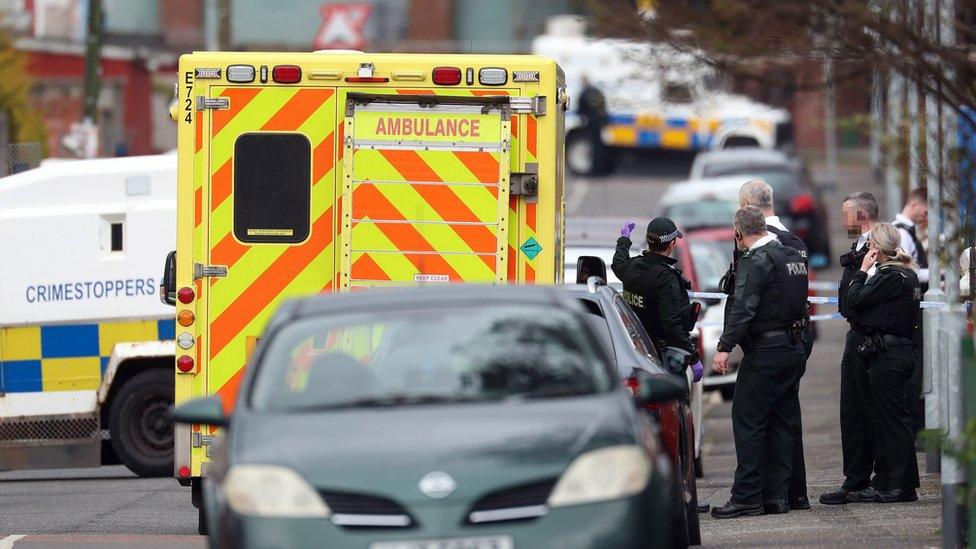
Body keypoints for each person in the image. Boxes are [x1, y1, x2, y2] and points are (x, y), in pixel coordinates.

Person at [711, 206, 809, 519]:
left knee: (748, 422)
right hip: (792, 348)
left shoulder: (756, 261)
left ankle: (746, 497)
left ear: (738, 234)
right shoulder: (790, 255)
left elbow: (744, 308)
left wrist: (724, 347)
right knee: (781, 422)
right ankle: (776, 497)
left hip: (766, 353)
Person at [737, 179, 812, 511]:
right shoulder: (794, 241)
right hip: (795, 340)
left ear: (749, 206)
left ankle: (761, 495)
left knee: (756, 421)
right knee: (785, 419)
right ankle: (790, 494)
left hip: (769, 344)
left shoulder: (760, 245)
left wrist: (731, 341)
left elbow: (749, 298)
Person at [842, 222, 922, 502]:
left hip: (890, 356)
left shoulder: (889, 276)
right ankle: (890, 481)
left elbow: (853, 299)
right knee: (891, 419)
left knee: (892, 421)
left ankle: (902, 485)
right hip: (899, 352)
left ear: (876, 248)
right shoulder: (907, 273)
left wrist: (863, 270)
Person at [821, 191, 884, 505]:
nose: (843, 220)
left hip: (869, 336)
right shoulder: (861, 246)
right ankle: (856, 477)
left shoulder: (877, 246)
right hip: (856, 333)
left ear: (861, 215)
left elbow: (869, 292)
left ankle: (868, 478)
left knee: (867, 410)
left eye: (847, 213)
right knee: (852, 410)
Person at [612, 217, 703, 381]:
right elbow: (672, 326)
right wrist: (693, 358)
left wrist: (624, 240)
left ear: (649, 241)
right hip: (663, 360)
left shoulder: (632, 267)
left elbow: (618, 262)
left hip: (636, 353)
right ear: (671, 244)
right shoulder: (666, 279)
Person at [892, 187, 928, 437]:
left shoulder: (908, 232)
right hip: (909, 311)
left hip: (913, 308)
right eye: (925, 209)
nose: (926, 215)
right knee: (913, 375)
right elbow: (907, 272)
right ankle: (913, 429)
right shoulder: (901, 235)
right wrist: (939, 275)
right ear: (914, 204)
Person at [892, 187, 929, 283]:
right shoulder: (901, 233)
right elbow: (906, 272)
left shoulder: (904, 231)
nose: (926, 217)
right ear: (914, 204)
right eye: (926, 212)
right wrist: (936, 274)